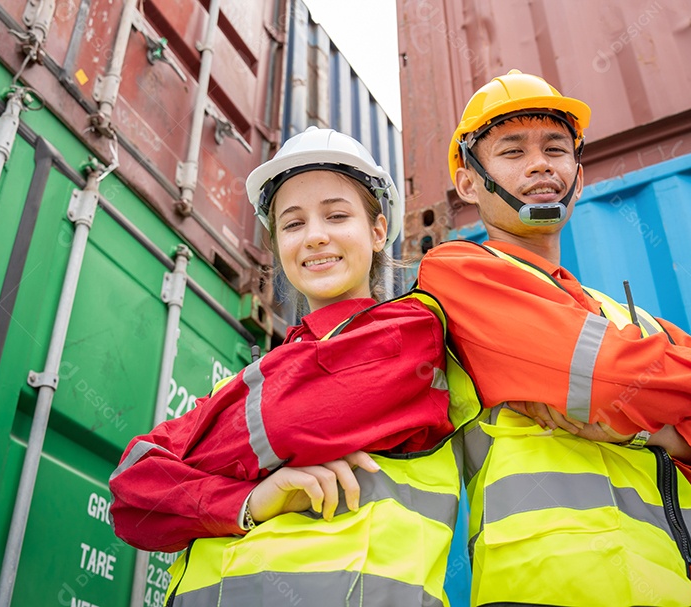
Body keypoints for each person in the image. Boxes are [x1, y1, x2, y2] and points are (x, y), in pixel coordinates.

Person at [416, 70, 691, 606]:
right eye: (513, 151)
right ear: (469, 182)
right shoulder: (460, 273)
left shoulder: (639, 323)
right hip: (554, 593)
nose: (541, 163)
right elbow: (612, 379)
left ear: (578, 175)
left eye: (556, 149)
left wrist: (649, 434)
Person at [109, 127, 479, 606]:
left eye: (337, 215)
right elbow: (132, 494)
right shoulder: (264, 372)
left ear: (378, 230)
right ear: (278, 245)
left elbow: (290, 420)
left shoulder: (409, 334)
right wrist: (249, 500)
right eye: (293, 223)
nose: (316, 236)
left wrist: (191, 477)